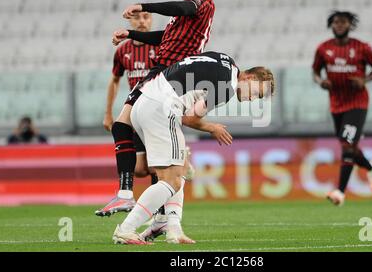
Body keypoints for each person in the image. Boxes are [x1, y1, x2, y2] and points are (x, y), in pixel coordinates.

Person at [98, 0, 215, 238]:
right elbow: (167, 37)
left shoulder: (203, 1)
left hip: (173, 75)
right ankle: (138, 200)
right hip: (162, 72)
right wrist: (131, 33)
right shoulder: (187, 14)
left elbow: (183, 7)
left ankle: (142, 204)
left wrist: (143, 5)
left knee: (155, 154)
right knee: (124, 126)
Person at [112, 51, 275, 245]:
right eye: (256, 93)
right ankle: (126, 230)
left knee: (177, 173)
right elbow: (188, 117)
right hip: (162, 109)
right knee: (171, 182)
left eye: (257, 98)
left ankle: (173, 229)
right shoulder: (228, 88)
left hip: (145, 102)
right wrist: (212, 127)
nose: (252, 99)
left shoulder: (225, 60)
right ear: (248, 77)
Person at [312, 10, 372, 206]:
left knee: (347, 145)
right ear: (331, 25)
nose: (339, 25)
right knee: (348, 143)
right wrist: (321, 81)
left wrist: (364, 79)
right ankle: (370, 167)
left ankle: (340, 192)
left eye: (343, 22)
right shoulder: (323, 49)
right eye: (336, 22)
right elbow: (315, 72)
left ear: (350, 25)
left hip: (357, 103)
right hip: (336, 104)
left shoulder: (362, 47)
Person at [95, 11, 159, 216]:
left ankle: (159, 212)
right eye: (138, 18)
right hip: (135, 111)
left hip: (157, 110)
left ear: (151, 21)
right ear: (130, 21)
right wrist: (108, 112)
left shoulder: (160, 47)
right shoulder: (123, 51)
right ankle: (182, 159)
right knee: (141, 169)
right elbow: (114, 81)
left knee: (157, 165)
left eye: (146, 17)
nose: (142, 21)